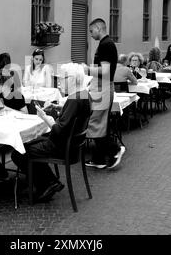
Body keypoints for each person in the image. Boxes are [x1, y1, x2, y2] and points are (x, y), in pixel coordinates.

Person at [11, 63, 91, 202]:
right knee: (29, 145)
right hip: (72, 146)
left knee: (18, 152)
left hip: (60, 147)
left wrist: (44, 117)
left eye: (62, 78)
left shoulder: (73, 99)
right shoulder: (83, 95)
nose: (59, 82)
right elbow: (71, 119)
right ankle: (50, 182)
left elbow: (59, 129)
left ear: (72, 79)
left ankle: (44, 185)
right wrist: (58, 107)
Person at [83, 18, 125, 169]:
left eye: (91, 31)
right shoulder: (105, 44)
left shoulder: (106, 45)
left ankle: (115, 149)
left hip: (104, 88)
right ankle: (99, 159)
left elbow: (106, 71)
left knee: (94, 123)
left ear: (99, 28)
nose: (91, 34)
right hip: (102, 87)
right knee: (100, 124)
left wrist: (87, 69)